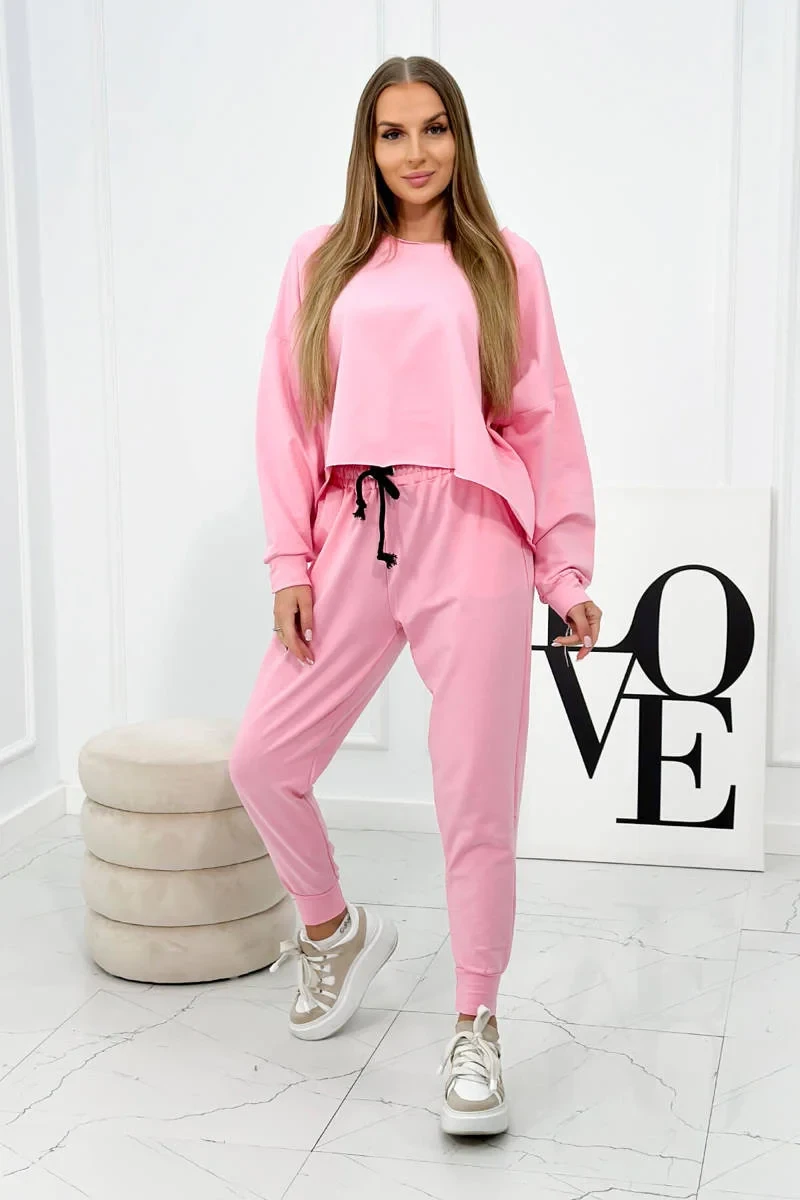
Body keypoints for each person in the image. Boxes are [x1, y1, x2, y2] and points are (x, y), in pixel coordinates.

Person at [228, 54, 602, 1138]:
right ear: (368, 147)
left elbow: (542, 419)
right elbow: (287, 417)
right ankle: (332, 930)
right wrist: (289, 562)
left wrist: (564, 569)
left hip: (475, 532)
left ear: (458, 136)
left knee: (474, 794)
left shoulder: (503, 261)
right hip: (354, 525)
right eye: (392, 133)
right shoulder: (321, 260)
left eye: (433, 128)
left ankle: (476, 1023)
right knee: (261, 758)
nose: (416, 152)